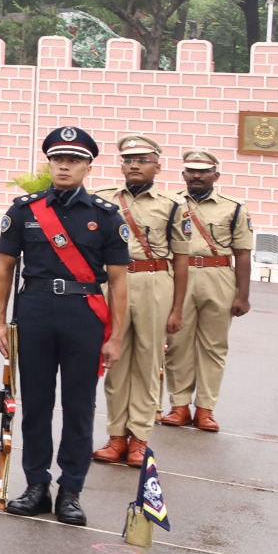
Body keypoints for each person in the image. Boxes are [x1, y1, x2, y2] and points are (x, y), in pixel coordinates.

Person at [0, 126, 130, 524]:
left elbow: (119, 280)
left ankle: (71, 490)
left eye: (74, 160)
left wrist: (116, 335)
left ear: (88, 167)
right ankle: (36, 485)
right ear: (50, 163)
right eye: (58, 159)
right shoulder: (23, 210)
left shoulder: (105, 216)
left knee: (78, 407)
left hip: (83, 316)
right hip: (34, 311)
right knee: (34, 404)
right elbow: (4, 269)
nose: (64, 166)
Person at [94, 134, 178, 467]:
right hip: (114, 282)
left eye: (142, 160)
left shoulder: (173, 205)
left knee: (147, 363)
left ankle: (139, 439)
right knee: (114, 361)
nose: (134, 165)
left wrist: (177, 306)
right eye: (128, 160)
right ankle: (116, 436)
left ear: (158, 165)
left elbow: (181, 259)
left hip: (155, 282)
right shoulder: (102, 199)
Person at [164, 149, 253, 433]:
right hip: (179, 275)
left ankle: (205, 409)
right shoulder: (170, 203)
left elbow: (243, 252)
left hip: (219, 276)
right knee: (177, 343)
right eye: (191, 171)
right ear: (183, 175)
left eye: (203, 171)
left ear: (216, 174)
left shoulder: (234, 207)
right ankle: (179, 406)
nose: (197, 175)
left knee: (214, 346)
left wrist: (243, 295)